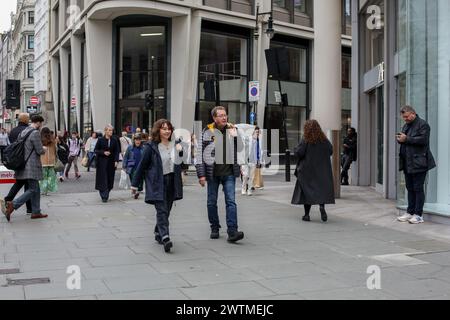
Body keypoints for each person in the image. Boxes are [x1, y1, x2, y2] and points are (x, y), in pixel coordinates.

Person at [131, 119, 184, 253]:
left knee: (167, 209)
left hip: (172, 180)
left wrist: (181, 152)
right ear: (158, 130)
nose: (167, 131)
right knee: (161, 210)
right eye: (164, 128)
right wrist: (135, 184)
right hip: (157, 182)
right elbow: (142, 165)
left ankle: (158, 231)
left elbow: (183, 164)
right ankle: (165, 237)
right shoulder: (151, 147)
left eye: (169, 128)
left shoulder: (175, 144)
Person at [196, 106, 244, 243]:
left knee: (231, 202)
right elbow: (200, 154)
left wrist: (236, 137)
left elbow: (240, 148)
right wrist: (201, 175)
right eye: (221, 115)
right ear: (214, 118)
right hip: (213, 174)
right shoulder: (207, 131)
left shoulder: (232, 129)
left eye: (225, 115)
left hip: (229, 172)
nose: (224, 117)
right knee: (211, 202)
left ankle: (232, 231)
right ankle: (215, 227)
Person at [396, 105, 436, 224]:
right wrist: (400, 138)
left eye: (407, 117)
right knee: (410, 188)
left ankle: (418, 215)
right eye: (404, 117)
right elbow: (406, 140)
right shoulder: (406, 125)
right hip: (408, 163)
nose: (405, 119)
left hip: (419, 163)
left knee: (418, 188)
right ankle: (410, 212)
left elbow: (423, 140)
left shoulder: (423, 124)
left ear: (413, 113)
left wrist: (406, 139)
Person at [3, 115, 47, 221]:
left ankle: (36, 212)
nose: (41, 126)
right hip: (31, 166)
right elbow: (39, 150)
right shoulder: (35, 133)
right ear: (38, 123)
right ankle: (13, 204)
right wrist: (44, 148)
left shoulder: (24, 132)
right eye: (41, 123)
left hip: (23, 164)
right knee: (33, 189)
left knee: (35, 189)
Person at [291, 120, 335, 222]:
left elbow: (299, 153)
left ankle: (306, 215)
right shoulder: (324, 140)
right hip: (321, 171)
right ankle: (322, 207)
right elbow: (330, 150)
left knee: (306, 192)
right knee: (320, 190)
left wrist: (295, 149)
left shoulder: (306, 139)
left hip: (307, 171)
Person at [0, 113, 32, 215]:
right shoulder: (28, 130)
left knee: (20, 182)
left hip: (16, 160)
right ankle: (28, 208)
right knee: (28, 184)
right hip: (27, 161)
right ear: (26, 120)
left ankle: (8, 200)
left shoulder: (13, 130)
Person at [95, 125, 120, 202]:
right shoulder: (100, 140)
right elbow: (96, 150)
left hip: (111, 162)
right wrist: (103, 152)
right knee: (102, 178)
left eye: (111, 130)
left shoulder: (114, 140)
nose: (110, 132)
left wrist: (116, 161)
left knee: (110, 178)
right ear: (105, 131)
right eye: (109, 130)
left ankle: (107, 192)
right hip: (102, 162)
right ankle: (104, 195)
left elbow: (117, 151)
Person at [123, 134, 144, 199]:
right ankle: (134, 192)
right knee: (133, 180)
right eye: (136, 140)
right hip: (132, 167)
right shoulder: (130, 148)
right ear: (134, 141)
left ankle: (138, 190)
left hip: (141, 167)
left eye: (139, 140)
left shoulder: (144, 148)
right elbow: (126, 157)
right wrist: (124, 166)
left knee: (140, 181)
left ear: (141, 141)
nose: (137, 141)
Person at [39, 128, 58, 196]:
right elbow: (56, 150)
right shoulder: (53, 140)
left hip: (42, 160)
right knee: (50, 176)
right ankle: (48, 190)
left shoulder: (40, 140)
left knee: (43, 177)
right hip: (51, 161)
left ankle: (43, 190)